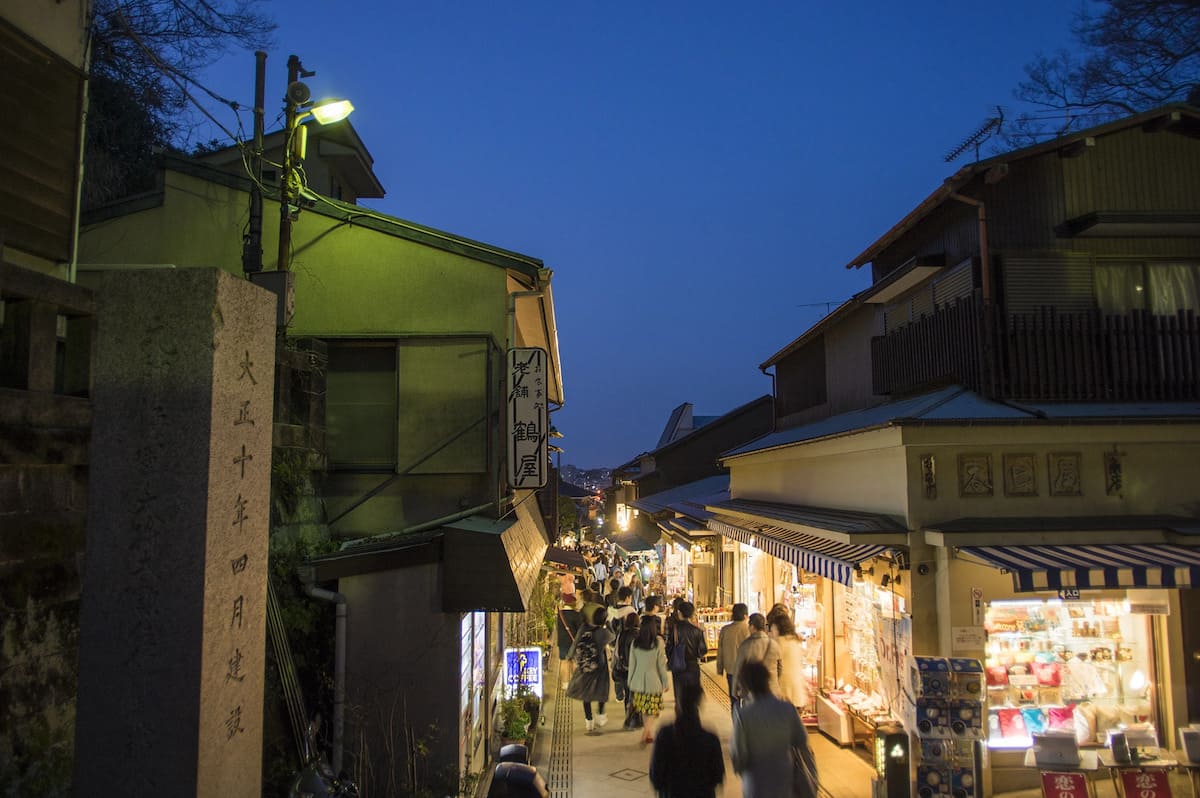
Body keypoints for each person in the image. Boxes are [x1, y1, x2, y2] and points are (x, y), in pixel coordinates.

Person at [731, 660, 817, 798]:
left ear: (746, 686)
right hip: (784, 779)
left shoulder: (743, 716)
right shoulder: (787, 709)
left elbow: (738, 757)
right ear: (766, 681)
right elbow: (802, 742)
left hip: (755, 784)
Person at [649, 681, 725, 798]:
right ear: (699, 704)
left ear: (678, 704)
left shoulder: (664, 736)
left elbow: (656, 777)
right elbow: (717, 776)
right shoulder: (710, 740)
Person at [565, 606, 614, 732]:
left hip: (585, 664)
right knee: (602, 689)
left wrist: (570, 656)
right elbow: (613, 636)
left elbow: (576, 642)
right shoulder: (603, 633)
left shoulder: (584, 628)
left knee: (585, 692)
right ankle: (600, 715)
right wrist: (608, 624)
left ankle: (589, 721)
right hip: (600, 664)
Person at [626, 614, 669, 745]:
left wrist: (630, 680)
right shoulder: (658, 643)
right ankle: (646, 732)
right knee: (653, 709)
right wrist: (665, 681)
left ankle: (648, 733)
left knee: (645, 709)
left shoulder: (635, 643)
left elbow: (632, 664)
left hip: (638, 681)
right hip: (653, 681)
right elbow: (661, 665)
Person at [732, 613, 781, 701]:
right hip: (772, 691)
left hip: (753, 692)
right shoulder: (774, 644)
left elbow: (738, 669)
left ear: (752, 627)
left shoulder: (745, 645)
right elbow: (780, 668)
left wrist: (734, 689)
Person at [771, 613, 812, 714]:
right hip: (797, 689)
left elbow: (772, 664)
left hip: (784, 689)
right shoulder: (795, 642)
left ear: (778, 629)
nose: (772, 632)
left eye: (773, 629)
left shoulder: (780, 643)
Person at [669, 600, 708, 696]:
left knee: (680, 695)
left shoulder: (674, 630)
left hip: (678, 666)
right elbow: (703, 650)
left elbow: (669, 648)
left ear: (679, 613)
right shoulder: (697, 631)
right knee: (692, 695)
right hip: (693, 666)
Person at [716, 603, 751, 711]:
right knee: (748, 699)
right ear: (745, 616)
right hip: (747, 670)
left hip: (731, 670)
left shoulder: (725, 630)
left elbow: (720, 650)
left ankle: (736, 723)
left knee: (734, 699)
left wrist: (720, 668)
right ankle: (746, 724)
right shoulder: (749, 630)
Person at [612, 612, 640, 726]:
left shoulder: (622, 634)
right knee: (637, 694)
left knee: (628, 693)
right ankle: (636, 718)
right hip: (637, 669)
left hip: (624, 668)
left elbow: (617, 651)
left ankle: (628, 717)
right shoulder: (639, 635)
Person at [555, 593, 583, 684]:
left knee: (564, 661)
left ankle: (565, 683)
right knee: (574, 661)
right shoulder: (576, 614)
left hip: (562, 642)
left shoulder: (560, 615)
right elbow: (580, 629)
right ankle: (575, 683)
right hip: (573, 642)